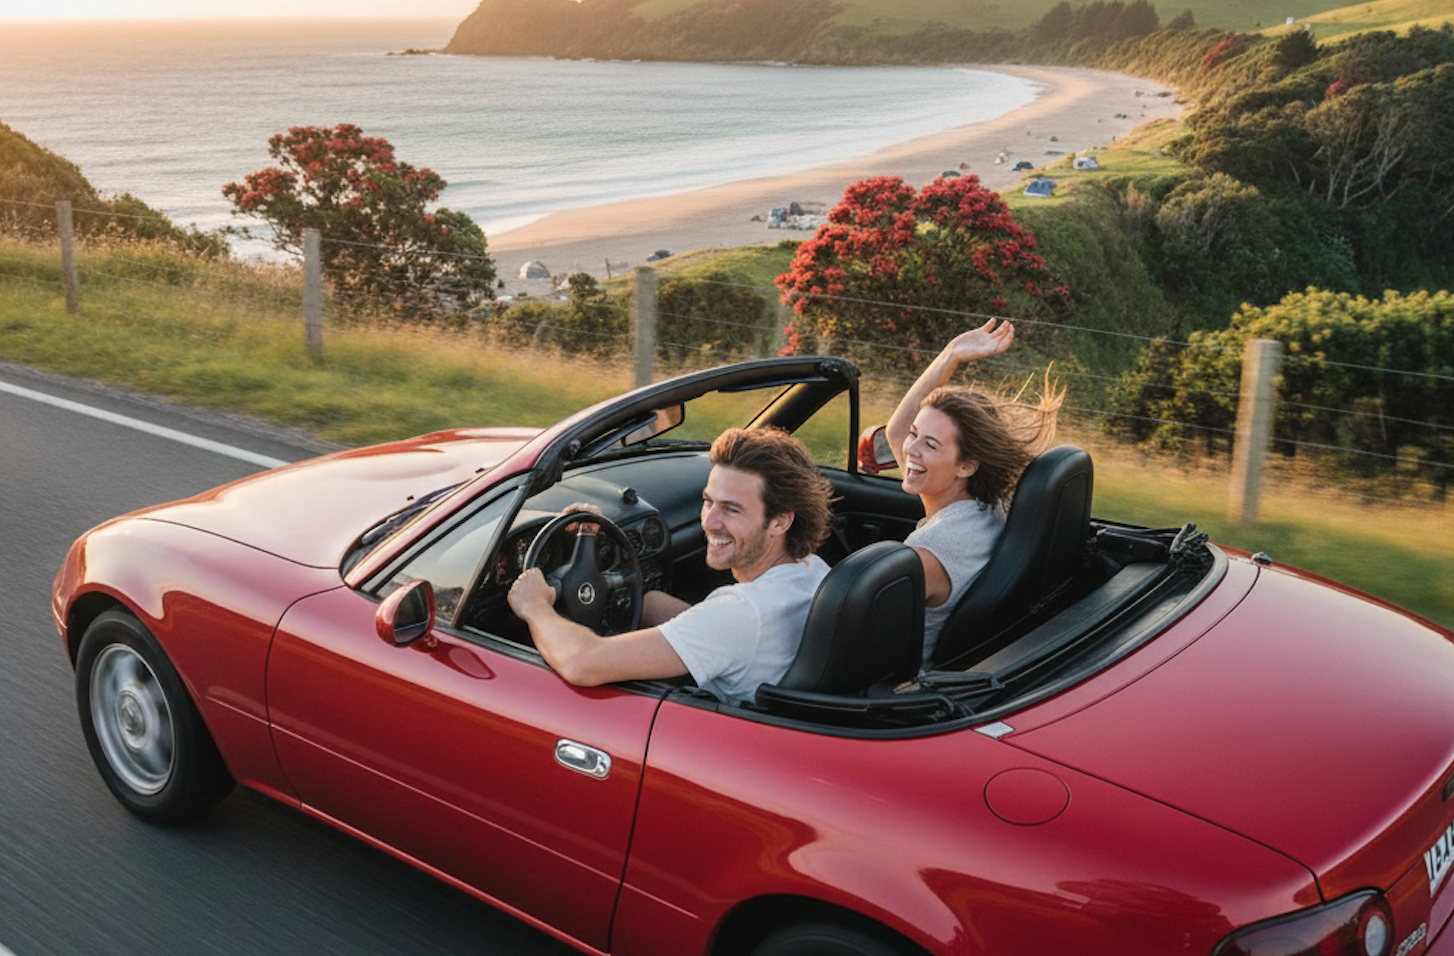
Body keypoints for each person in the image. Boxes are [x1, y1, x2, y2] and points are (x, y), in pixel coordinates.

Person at [507, 426, 834, 706]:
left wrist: (535, 606)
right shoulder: (810, 571)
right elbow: (693, 622)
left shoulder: (742, 614)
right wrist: (605, 555)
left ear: (780, 521)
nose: (709, 522)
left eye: (731, 510)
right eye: (708, 501)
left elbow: (581, 662)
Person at [886, 319, 1063, 664]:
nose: (911, 449)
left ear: (967, 465)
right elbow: (897, 434)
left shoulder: (930, 550)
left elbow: (849, 628)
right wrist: (950, 355)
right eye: (915, 434)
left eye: (931, 444)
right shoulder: (991, 508)